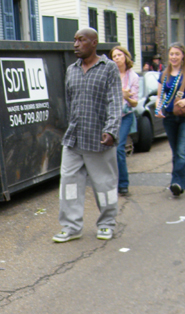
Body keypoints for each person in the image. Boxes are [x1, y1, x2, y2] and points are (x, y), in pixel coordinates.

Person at [53, 28, 123, 243]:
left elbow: (115, 101)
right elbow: (68, 101)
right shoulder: (72, 70)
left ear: (94, 43)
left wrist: (111, 130)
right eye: (74, 40)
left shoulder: (108, 68)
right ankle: (71, 226)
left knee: (104, 185)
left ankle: (106, 224)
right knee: (69, 183)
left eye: (81, 40)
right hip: (74, 138)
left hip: (99, 138)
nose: (75, 44)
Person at [155, 42, 185, 197]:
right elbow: (159, 96)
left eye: (177, 54)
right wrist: (158, 108)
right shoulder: (164, 74)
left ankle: (176, 183)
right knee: (176, 151)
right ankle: (182, 180)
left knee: (182, 150)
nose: (174, 57)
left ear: (183, 55)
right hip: (169, 117)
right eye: (171, 54)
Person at [111, 46, 139, 196]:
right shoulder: (109, 74)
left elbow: (135, 103)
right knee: (109, 150)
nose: (116, 58)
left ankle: (123, 184)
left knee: (119, 147)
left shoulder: (133, 77)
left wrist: (126, 96)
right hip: (110, 117)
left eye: (119, 55)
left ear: (125, 57)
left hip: (125, 116)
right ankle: (111, 182)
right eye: (114, 56)